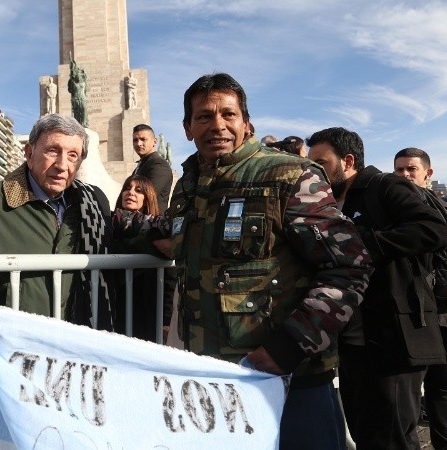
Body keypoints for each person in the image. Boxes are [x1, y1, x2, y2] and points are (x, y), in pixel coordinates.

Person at [113, 73, 373, 449]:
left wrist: (287, 347)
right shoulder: (188, 186)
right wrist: (118, 221)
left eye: (228, 114)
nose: (217, 125)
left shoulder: (288, 175)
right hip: (212, 380)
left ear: (246, 123)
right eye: (204, 116)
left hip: (289, 379)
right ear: (187, 127)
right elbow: (166, 232)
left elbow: (350, 266)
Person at [307, 128, 447, 449]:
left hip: (394, 340)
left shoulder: (385, 186)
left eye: (320, 163)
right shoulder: (324, 203)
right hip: (353, 343)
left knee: (392, 438)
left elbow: (434, 229)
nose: (313, 172)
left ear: (348, 161)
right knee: (364, 434)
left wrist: (365, 244)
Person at [0, 113, 114, 329]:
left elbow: (125, 236)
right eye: (53, 151)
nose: (62, 165)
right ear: (29, 153)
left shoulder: (93, 203)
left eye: (73, 155)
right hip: (9, 346)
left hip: (77, 345)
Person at [393, 147, 447, 450]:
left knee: (439, 389)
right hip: (419, 312)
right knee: (412, 392)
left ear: (428, 174)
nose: (405, 175)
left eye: (411, 169)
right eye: (399, 170)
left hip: (445, 311)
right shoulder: (396, 210)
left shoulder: (445, 210)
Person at [111, 175, 171, 341]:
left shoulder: (158, 229)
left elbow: (169, 281)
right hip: (114, 306)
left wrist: (166, 320)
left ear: (148, 198)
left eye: (138, 190)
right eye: (127, 188)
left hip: (146, 309)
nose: (130, 193)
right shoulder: (107, 223)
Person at [131, 124, 173, 213]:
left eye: (143, 139)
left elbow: (147, 195)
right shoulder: (141, 165)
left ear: (154, 141)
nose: (139, 143)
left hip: (151, 223)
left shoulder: (159, 165)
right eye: (135, 140)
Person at [68, 55, 88, 127]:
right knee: (76, 113)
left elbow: (85, 77)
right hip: (75, 99)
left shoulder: (83, 83)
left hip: (82, 98)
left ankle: (84, 123)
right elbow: (71, 79)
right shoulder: (74, 83)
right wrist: (72, 68)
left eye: (79, 76)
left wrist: (80, 71)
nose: (78, 77)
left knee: (84, 110)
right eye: (77, 76)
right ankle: (77, 125)